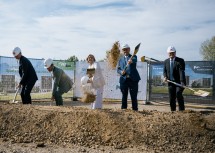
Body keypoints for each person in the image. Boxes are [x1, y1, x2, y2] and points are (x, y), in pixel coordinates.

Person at [117, 44, 141, 111]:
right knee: (124, 95)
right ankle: (124, 109)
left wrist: (131, 61)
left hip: (133, 80)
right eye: (124, 49)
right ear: (122, 50)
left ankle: (135, 109)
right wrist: (121, 72)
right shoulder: (120, 59)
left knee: (133, 96)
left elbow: (135, 60)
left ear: (129, 49)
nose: (125, 51)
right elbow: (118, 69)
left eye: (126, 49)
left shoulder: (133, 56)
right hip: (124, 80)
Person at [163, 46, 186, 111]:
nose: (171, 54)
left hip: (179, 82)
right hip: (171, 83)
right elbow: (164, 71)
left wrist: (182, 81)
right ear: (168, 53)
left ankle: (181, 111)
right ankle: (173, 111)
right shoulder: (166, 61)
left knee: (178, 94)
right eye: (170, 53)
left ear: (175, 53)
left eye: (173, 53)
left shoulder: (180, 61)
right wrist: (165, 77)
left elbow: (181, 71)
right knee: (171, 98)